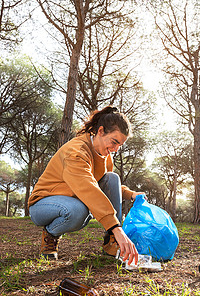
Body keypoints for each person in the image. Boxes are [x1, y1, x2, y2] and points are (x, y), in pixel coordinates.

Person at [28, 106, 145, 265]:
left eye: (120, 145)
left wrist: (131, 194)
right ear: (101, 131)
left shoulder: (104, 154)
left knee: (112, 178)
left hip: (73, 199)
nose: (115, 149)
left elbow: (105, 185)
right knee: (77, 211)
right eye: (114, 142)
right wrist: (117, 228)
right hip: (43, 204)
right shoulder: (76, 152)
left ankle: (111, 242)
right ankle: (50, 234)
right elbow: (88, 188)